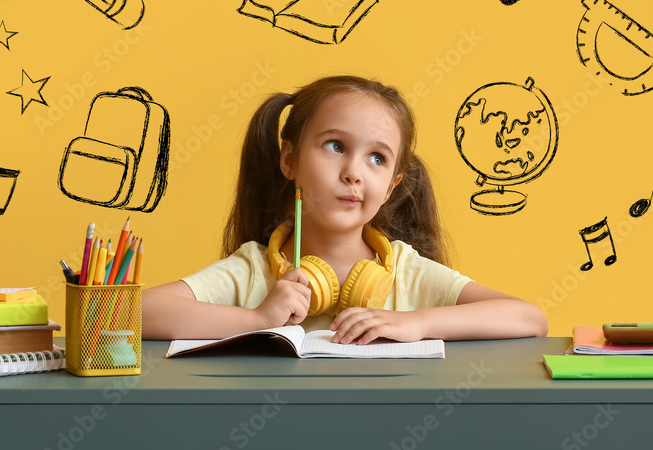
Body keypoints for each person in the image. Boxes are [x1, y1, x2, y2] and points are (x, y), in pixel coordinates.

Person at [141, 75, 548, 344]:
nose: (354, 172)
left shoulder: (405, 271)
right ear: (290, 160)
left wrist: (417, 324)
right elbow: (133, 313)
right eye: (335, 146)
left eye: (376, 159)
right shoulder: (253, 270)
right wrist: (257, 321)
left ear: (391, 187)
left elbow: (529, 319)